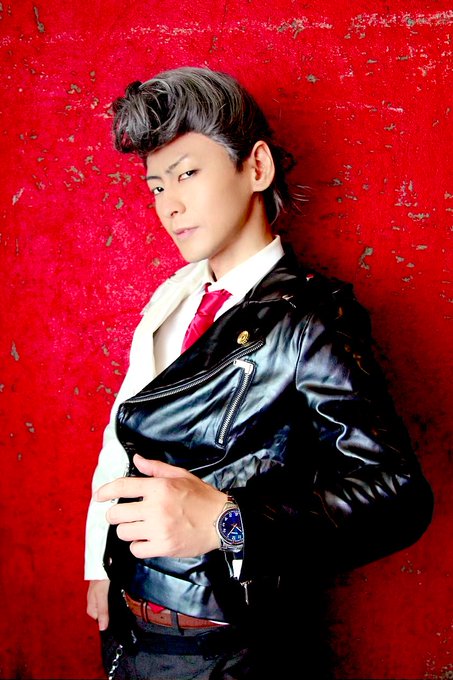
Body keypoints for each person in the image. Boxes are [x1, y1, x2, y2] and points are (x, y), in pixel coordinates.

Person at [85, 66, 433, 679]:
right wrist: (99, 565)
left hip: (232, 651)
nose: (169, 205)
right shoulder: (173, 296)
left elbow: (397, 495)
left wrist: (227, 522)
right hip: (132, 633)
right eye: (156, 186)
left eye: (187, 174)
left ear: (257, 167)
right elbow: (123, 438)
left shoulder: (312, 319)